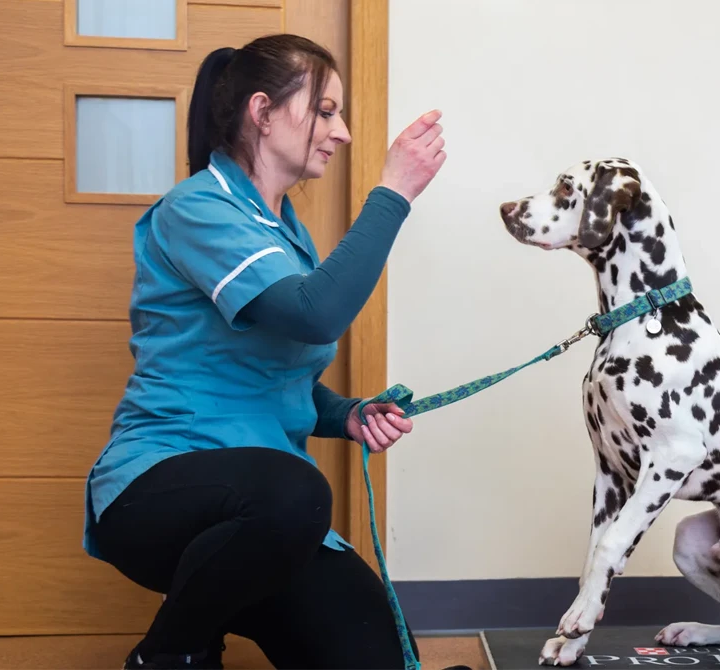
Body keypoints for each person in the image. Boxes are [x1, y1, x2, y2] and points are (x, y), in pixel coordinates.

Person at [81, 33, 449, 669]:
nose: (343, 133)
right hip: (162, 486)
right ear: (263, 111)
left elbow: (279, 379)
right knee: (295, 489)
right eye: (326, 111)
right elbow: (316, 314)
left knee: (382, 657)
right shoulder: (197, 208)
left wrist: (347, 415)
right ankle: (171, 655)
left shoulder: (284, 233)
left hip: (269, 517)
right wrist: (394, 192)